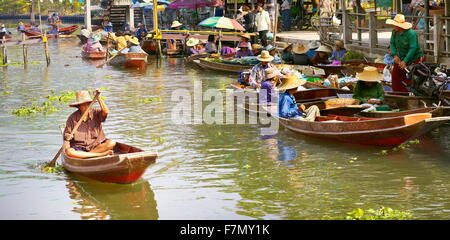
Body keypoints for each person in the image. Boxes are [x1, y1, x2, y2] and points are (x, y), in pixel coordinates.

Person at [64, 89, 116, 159]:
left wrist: (98, 98)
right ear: (79, 106)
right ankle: (100, 155)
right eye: (83, 105)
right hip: (79, 148)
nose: (87, 107)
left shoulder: (95, 113)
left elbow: (106, 112)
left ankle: (87, 155)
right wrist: (68, 136)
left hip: (96, 146)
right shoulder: (72, 118)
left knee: (111, 143)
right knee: (69, 152)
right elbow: (66, 135)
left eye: (88, 104)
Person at [386, 14, 424, 92]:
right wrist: (395, 55)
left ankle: (408, 94)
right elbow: (392, 43)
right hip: (399, 57)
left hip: (413, 58)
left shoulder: (411, 34)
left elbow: (413, 48)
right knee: (395, 76)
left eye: (395, 24)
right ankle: (396, 93)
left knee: (410, 78)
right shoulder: (394, 32)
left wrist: (405, 61)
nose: (393, 26)